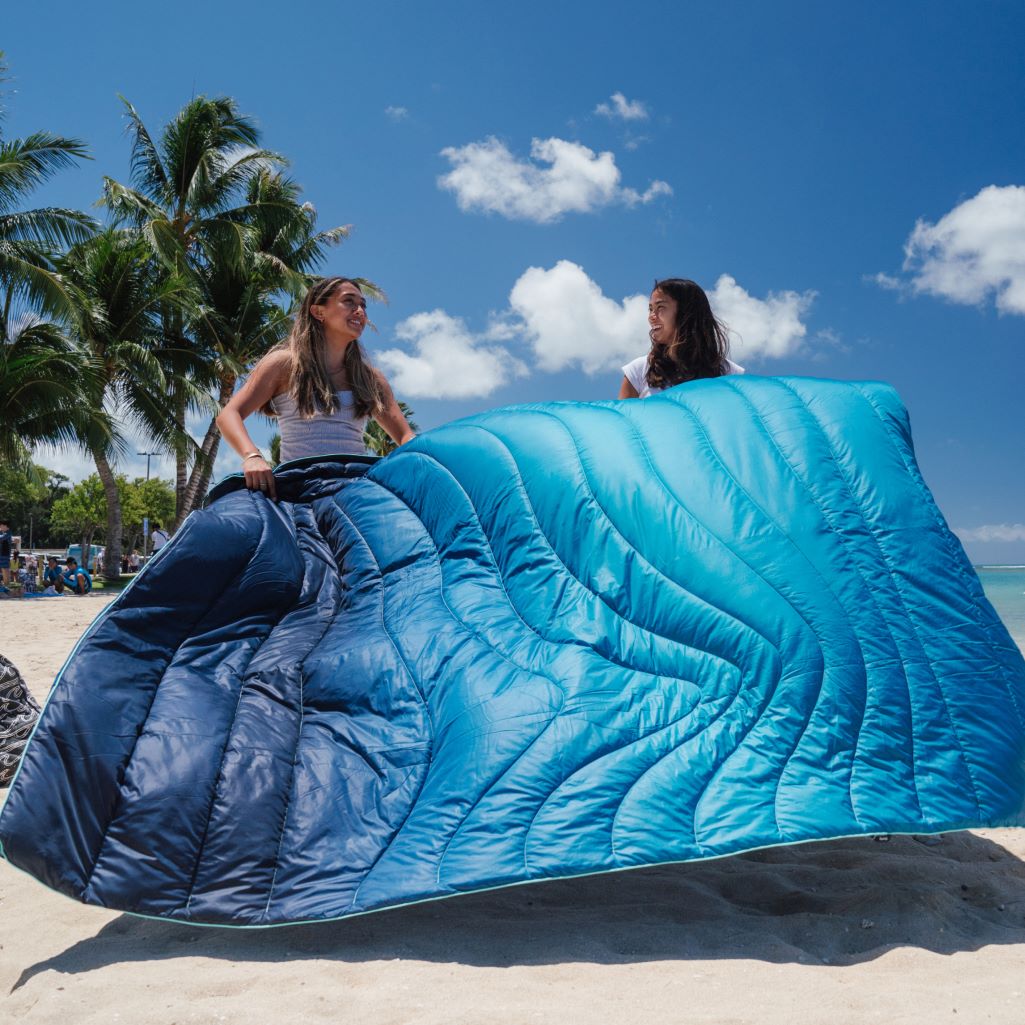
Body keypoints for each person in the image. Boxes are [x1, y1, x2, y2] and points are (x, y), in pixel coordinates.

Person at [217, 276, 415, 500]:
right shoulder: (284, 365)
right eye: (349, 302)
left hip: (355, 486)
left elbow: (406, 436)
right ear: (318, 312)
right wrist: (251, 456)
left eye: (363, 305)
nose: (360, 310)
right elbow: (229, 414)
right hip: (297, 485)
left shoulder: (370, 378)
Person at [619, 278, 745, 400]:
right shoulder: (638, 370)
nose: (651, 317)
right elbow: (622, 420)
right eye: (651, 309)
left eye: (660, 307)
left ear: (685, 312)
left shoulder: (731, 374)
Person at [0, 520, 11, 590]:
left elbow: (1, 538)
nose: (0, 527)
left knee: (5, 570)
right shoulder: (3, 533)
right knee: (3, 570)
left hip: (5, 555)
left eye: (1, 526)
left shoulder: (8, 533)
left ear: (5, 526)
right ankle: (4, 586)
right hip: (1, 554)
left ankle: (7, 586)